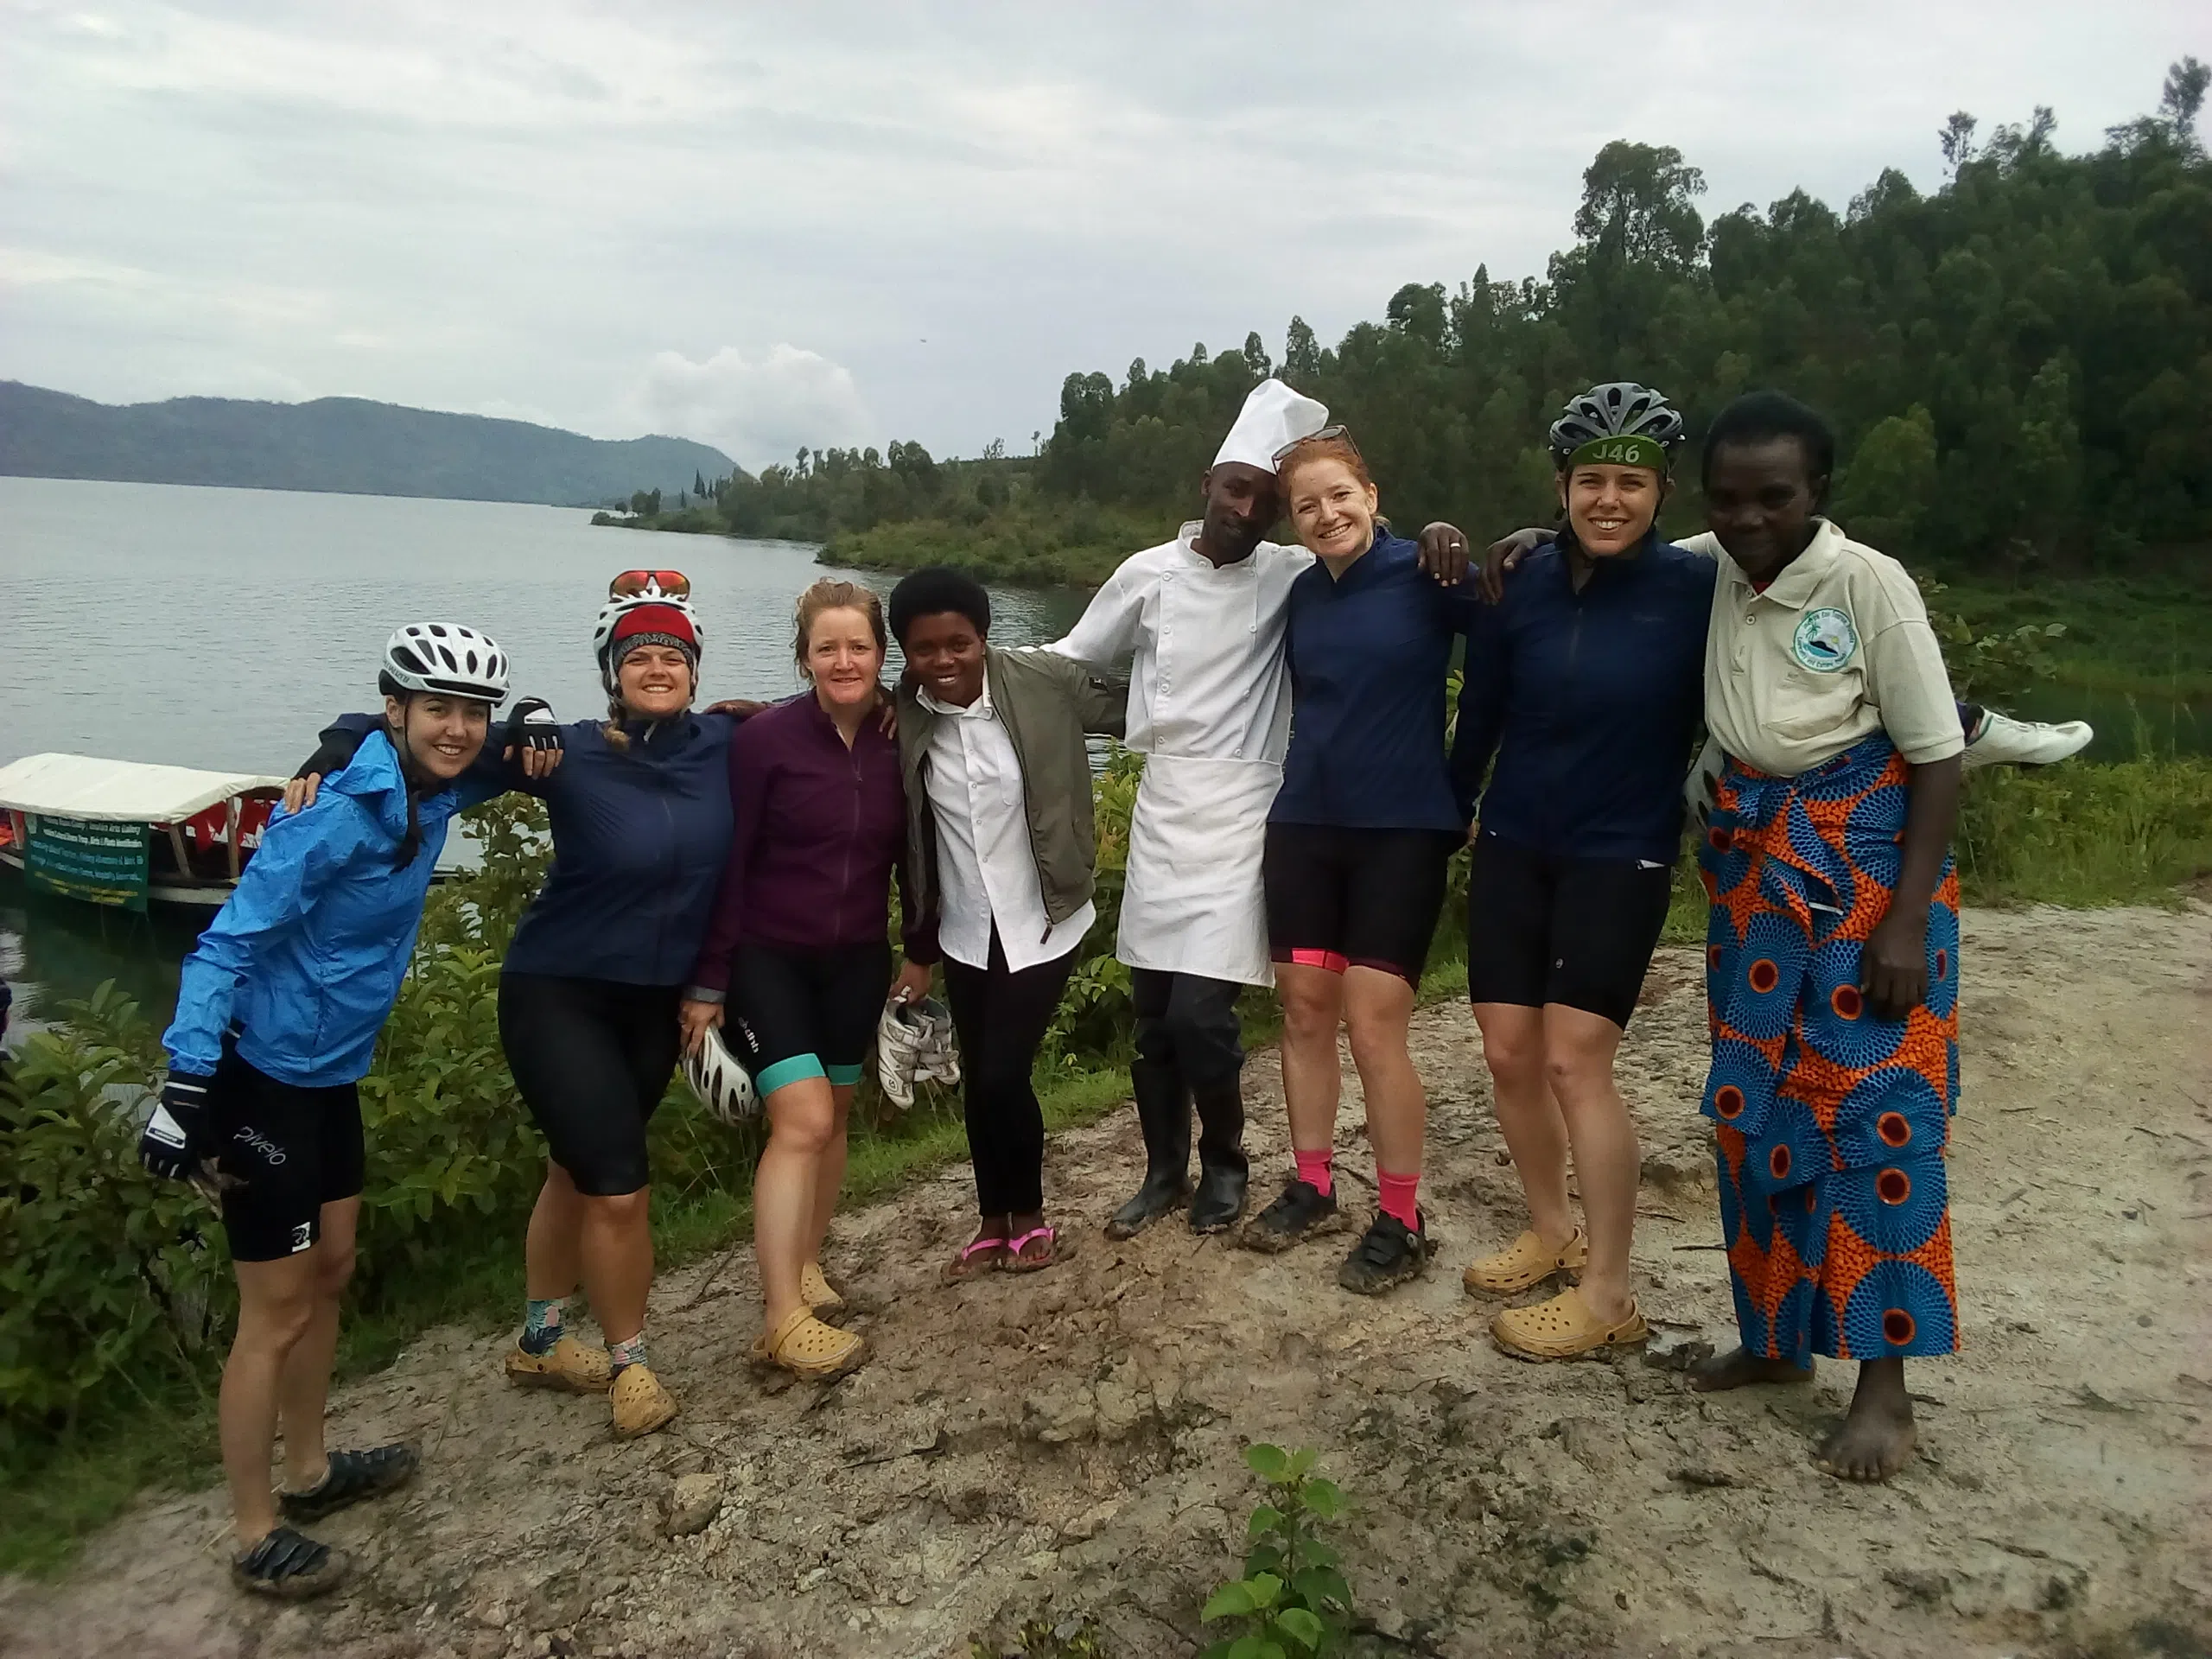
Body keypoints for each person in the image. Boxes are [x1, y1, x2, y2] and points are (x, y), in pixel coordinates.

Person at [291, 571, 738, 1441]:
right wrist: (335, 744)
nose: (656, 666)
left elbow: (796, 722)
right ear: (612, 670)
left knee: (574, 1167)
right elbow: (433, 737)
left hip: (653, 1004)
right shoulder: (560, 748)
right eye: (637, 654)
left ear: (692, 669)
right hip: (558, 991)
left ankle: (538, 1339)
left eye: (671, 655)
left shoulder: (725, 743)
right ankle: (630, 1362)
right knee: (618, 1184)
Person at [146, 624, 528, 1599]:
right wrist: (185, 1082)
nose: (458, 728)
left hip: (328, 1079)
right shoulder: (328, 816)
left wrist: (532, 734)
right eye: (435, 708)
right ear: (394, 710)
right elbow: (224, 947)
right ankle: (251, 1529)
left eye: (472, 712)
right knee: (270, 1315)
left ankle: (310, 1472)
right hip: (256, 1077)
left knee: (332, 1270)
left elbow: (517, 755)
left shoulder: (441, 788)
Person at [1675, 391, 1967, 1482]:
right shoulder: (1710, 563)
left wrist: (1903, 923)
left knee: (1872, 1124)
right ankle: (1773, 1341)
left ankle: (1884, 1391)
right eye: (1729, 497)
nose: (1749, 517)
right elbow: (1612, 544)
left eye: (1774, 496)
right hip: (1754, 873)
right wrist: (1519, 540)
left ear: (1818, 493)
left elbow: (1936, 758)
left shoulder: (1865, 584)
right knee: (1751, 1105)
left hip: (1863, 876)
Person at [1447, 385, 1713, 1357]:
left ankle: (1607, 1294)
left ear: (1662, 491)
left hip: (1622, 847)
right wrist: (1451, 801)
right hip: (1515, 838)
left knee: (1572, 1061)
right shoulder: (1519, 579)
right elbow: (1483, 705)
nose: (1609, 499)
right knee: (1508, 1050)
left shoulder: (1695, 589)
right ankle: (1550, 1232)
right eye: (1590, 479)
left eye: (1630, 482)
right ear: (1561, 485)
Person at [1043, 378, 1324, 1239]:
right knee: (1155, 1019)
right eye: (1237, 486)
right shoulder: (1147, 574)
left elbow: (1370, 557)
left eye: (1267, 499)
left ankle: (1227, 1165)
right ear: (1207, 483)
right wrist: (950, 681)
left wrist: (1443, 541)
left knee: (1205, 1014)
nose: (1248, 508)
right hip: (1165, 809)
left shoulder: (1294, 573)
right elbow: (1067, 659)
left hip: (1244, 809)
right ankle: (1162, 1171)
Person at [1242, 427, 1478, 1294]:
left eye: (1340, 495)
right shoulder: (1301, 596)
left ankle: (1401, 1213)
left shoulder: (1429, 572)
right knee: (1304, 1011)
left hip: (1402, 829)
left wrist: (1463, 788)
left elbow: (1504, 652)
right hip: (1304, 821)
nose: (1326, 514)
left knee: (1375, 1025)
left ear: (1371, 496)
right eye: (1307, 506)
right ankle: (1310, 1184)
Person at [683, 581, 933, 1382]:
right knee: (801, 1120)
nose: (843, 660)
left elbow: (916, 857)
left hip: (856, 958)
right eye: (827, 647)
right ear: (804, 657)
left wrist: (919, 950)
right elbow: (731, 862)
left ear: (881, 654)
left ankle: (807, 1266)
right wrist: (710, 981)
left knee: (835, 1120)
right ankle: (781, 1315)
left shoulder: (903, 738)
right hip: (768, 958)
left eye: (858, 646)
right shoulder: (766, 742)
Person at [887, 567, 1126, 1278]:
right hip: (966, 929)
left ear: (983, 638)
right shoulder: (904, 714)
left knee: (998, 1075)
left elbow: (1145, 704)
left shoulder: (1042, 680)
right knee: (987, 1083)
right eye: (925, 649)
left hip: (1045, 917)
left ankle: (1031, 1216)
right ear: (905, 652)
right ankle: (993, 1220)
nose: (944, 661)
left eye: (958, 643)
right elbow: (826, 712)